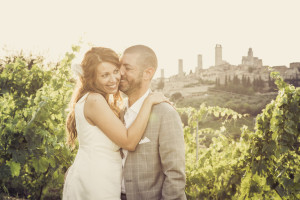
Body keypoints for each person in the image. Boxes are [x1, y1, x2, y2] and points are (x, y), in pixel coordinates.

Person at [62, 47, 168, 200]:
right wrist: (149, 101)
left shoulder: (99, 100)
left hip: (101, 176)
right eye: (105, 75)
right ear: (92, 78)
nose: (113, 79)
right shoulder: (94, 100)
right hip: (96, 180)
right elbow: (128, 142)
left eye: (115, 71)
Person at [119, 45, 186, 200]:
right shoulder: (116, 112)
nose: (120, 73)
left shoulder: (165, 114)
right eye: (119, 66)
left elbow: (175, 176)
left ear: (147, 73)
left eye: (127, 68)